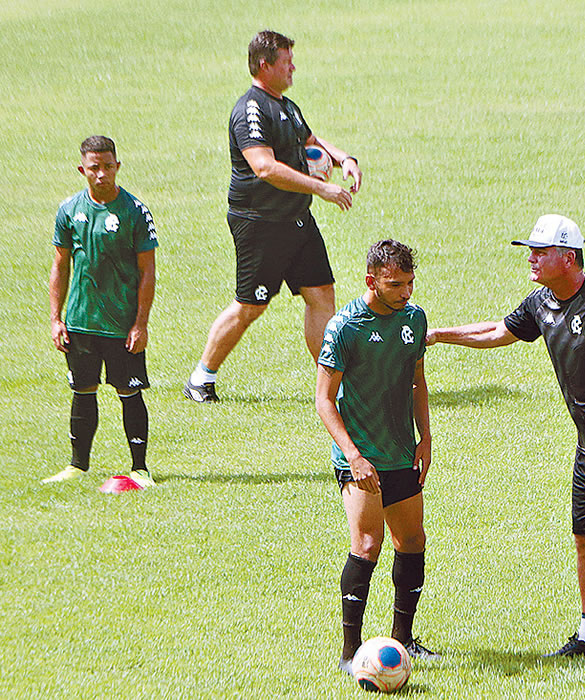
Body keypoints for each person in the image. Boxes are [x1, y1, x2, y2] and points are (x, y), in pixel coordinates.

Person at [427, 215, 585, 672]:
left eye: (540, 251)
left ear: (568, 258)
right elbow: (499, 331)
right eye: (530, 251)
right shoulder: (542, 302)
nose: (531, 259)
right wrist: (439, 336)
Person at [184, 29, 363, 403]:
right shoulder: (250, 110)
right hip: (259, 223)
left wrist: (344, 158)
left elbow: (312, 143)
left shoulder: (287, 106)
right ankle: (201, 378)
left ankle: (333, 385)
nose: (293, 67)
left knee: (321, 295)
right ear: (264, 65)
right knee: (251, 306)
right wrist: (321, 188)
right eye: (287, 61)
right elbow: (264, 167)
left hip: (296, 220)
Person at [315, 239, 439, 672]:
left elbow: (417, 380)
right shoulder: (344, 326)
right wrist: (352, 455)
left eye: (409, 283)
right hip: (361, 456)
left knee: (412, 541)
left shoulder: (414, 319)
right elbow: (324, 401)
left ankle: (405, 641)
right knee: (368, 545)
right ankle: (351, 653)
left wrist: (425, 438)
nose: (406, 292)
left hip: (401, 452)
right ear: (372, 281)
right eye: (395, 284)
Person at [44, 136, 158, 486]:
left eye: (108, 166)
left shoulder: (135, 211)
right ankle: (78, 465)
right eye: (94, 167)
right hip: (81, 323)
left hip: (122, 325)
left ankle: (140, 468)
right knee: (83, 390)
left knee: (129, 392)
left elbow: (147, 272)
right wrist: (56, 319)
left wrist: (140, 324)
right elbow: (60, 267)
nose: (101, 174)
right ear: (83, 169)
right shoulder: (69, 211)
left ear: (117, 167)